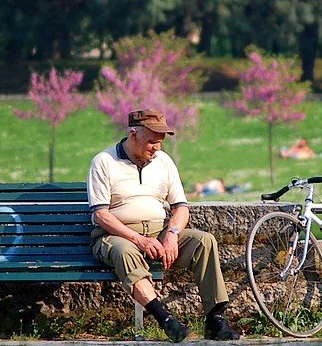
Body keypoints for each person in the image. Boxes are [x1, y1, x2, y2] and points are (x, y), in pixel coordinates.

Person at [87, 109, 240, 343]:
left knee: (204, 241)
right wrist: (139, 240)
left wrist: (172, 234)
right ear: (133, 134)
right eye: (152, 141)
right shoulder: (104, 162)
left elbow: (180, 207)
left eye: (160, 142)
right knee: (125, 251)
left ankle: (215, 319)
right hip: (117, 235)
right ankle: (166, 321)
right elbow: (101, 216)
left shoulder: (164, 162)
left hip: (159, 233)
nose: (157, 147)